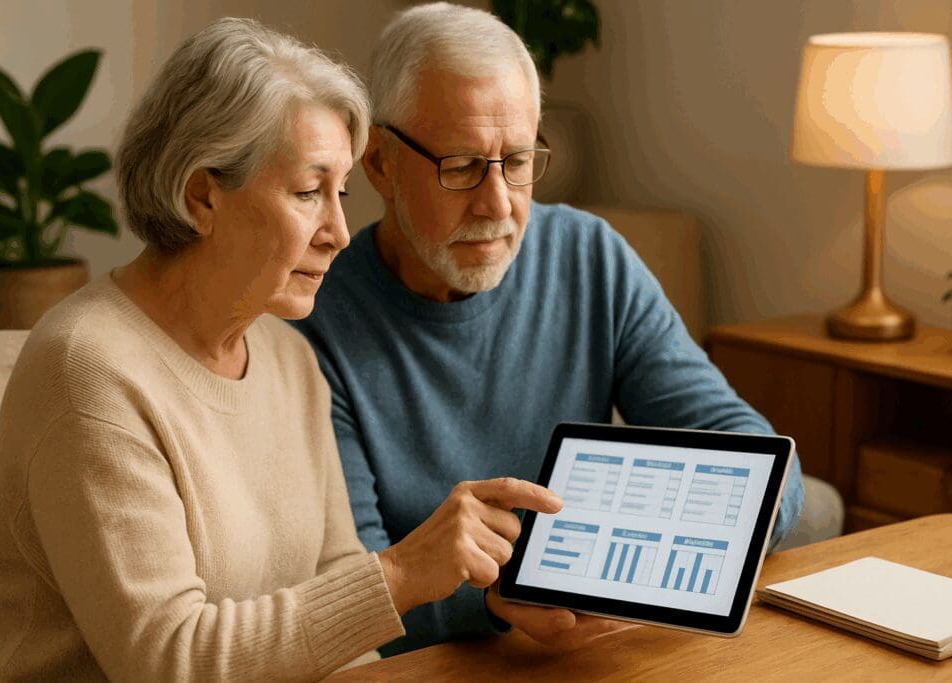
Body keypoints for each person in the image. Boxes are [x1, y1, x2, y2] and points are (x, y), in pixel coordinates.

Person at [0, 17, 561, 681]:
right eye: (307, 192)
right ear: (202, 195)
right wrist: (404, 571)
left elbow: (342, 611)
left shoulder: (290, 359)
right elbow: (167, 660)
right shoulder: (89, 373)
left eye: (341, 193)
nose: (339, 232)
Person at [292, 1, 806, 657]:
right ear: (381, 163)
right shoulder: (315, 322)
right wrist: (492, 599)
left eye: (518, 160)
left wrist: (664, 550)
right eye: (461, 165)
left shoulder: (590, 256)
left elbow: (758, 461)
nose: (497, 203)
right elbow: (354, 586)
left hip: (601, 652)